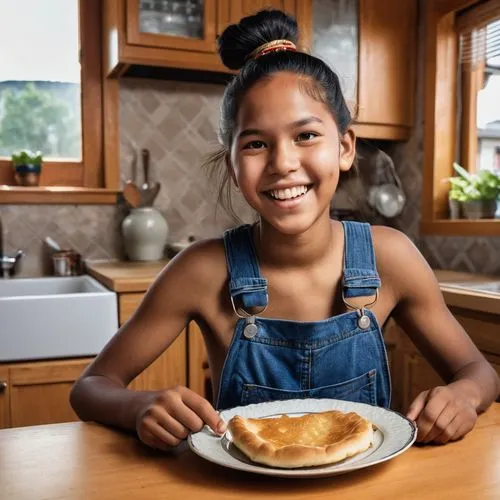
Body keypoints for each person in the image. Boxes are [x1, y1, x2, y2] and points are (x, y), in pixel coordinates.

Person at [70, 9, 499, 450]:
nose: (282, 163)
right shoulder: (200, 271)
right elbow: (91, 387)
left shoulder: (392, 257)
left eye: (306, 136)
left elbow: (479, 372)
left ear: (345, 148)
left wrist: (463, 394)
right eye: (256, 144)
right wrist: (139, 406)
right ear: (233, 167)